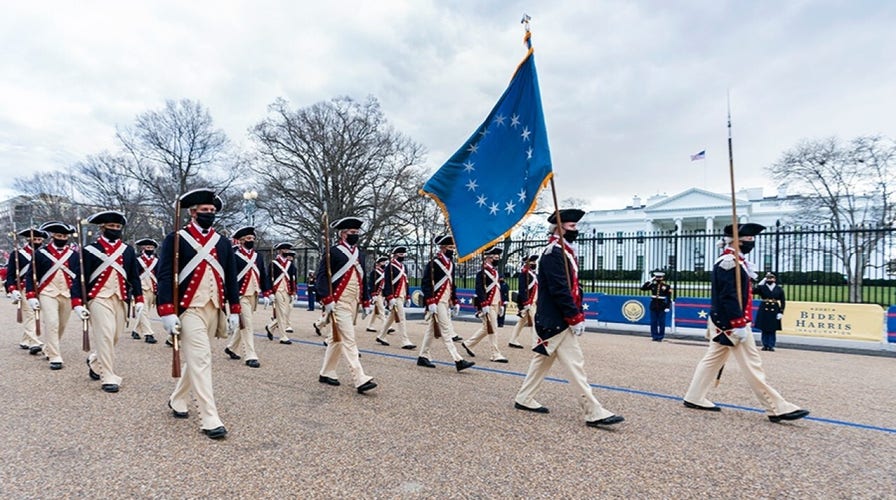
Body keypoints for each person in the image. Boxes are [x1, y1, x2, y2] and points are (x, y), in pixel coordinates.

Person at [682, 223, 809, 423]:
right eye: (748, 240)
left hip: (725, 322)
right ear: (736, 241)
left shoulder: (736, 262)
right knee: (752, 364)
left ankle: (694, 396)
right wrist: (738, 322)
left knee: (712, 360)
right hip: (732, 323)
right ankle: (777, 407)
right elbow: (729, 297)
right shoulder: (729, 263)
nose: (752, 243)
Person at [514, 209, 624, 428]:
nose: (576, 230)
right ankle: (593, 411)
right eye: (572, 226)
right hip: (557, 319)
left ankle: (524, 397)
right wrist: (574, 317)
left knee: (542, 360)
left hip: (556, 318)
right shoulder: (553, 253)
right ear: (559, 227)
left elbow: (571, 286)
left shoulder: (564, 252)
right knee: (575, 364)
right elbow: (559, 290)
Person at [156, 188, 241, 440]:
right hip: (188, 307)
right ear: (193, 212)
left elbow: (231, 278)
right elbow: (164, 275)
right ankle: (209, 416)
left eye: (212, 211)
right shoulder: (176, 239)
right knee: (203, 359)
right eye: (205, 211)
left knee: (197, 358)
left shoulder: (223, 242)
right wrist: (166, 311)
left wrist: (234, 309)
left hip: (214, 307)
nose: (209, 214)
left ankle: (177, 397)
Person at [81, 211, 144, 393]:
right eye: (111, 227)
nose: (115, 230)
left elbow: (133, 276)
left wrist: (139, 298)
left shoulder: (127, 250)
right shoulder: (90, 250)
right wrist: (78, 303)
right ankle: (108, 376)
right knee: (106, 335)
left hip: (121, 297)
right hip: (98, 297)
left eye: (118, 227)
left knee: (114, 336)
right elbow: (81, 278)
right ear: (102, 228)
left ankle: (95, 361)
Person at [315, 216, 377, 393]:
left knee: (338, 339)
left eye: (357, 233)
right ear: (343, 234)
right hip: (338, 301)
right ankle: (360, 378)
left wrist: (365, 301)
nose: (355, 235)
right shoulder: (333, 252)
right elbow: (322, 278)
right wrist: (327, 299)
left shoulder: (360, 254)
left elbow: (362, 279)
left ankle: (326, 372)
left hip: (353, 302)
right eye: (351, 233)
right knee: (349, 339)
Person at [24, 221, 82, 371]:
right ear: (53, 236)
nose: (62, 238)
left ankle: (49, 347)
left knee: (62, 324)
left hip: (67, 293)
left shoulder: (74, 255)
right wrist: (31, 295)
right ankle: (55, 356)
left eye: (64, 236)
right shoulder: (41, 253)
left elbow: (77, 277)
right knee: (52, 322)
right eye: (58, 235)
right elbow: (31, 275)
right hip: (47, 292)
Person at [416, 235, 474, 372]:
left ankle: (423, 356)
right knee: (446, 330)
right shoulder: (434, 263)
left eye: (453, 248)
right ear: (442, 248)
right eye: (450, 248)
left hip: (445, 301)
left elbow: (452, 285)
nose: (452, 250)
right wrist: (430, 302)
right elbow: (426, 284)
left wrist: (455, 301)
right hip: (436, 301)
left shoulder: (451, 264)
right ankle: (458, 359)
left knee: (431, 330)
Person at [225, 226, 271, 368]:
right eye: (248, 238)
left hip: (253, 293)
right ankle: (250, 355)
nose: (251, 241)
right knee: (248, 324)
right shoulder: (233, 254)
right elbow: (229, 276)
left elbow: (263, 274)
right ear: (241, 240)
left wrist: (268, 292)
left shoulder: (258, 256)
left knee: (243, 323)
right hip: (240, 294)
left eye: (252, 238)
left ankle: (231, 347)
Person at [461, 246, 509, 363]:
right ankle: (495, 354)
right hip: (488, 304)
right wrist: (484, 304)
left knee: (486, 328)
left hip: (495, 303)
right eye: (496, 257)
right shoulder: (482, 273)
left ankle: (468, 344)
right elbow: (480, 290)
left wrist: (501, 303)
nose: (497, 259)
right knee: (493, 329)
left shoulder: (494, 272)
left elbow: (498, 289)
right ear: (489, 258)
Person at [5, 227, 47, 354]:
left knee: (36, 314)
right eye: (35, 239)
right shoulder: (18, 254)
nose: (38, 241)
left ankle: (25, 340)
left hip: (41, 288)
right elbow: (10, 274)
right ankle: (35, 342)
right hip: (24, 288)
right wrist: (12, 289)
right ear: (29, 239)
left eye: (40, 239)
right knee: (30, 315)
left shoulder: (45, 254)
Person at [375, 246, 416, 350]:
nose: (403, 256)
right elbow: (387, 283)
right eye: (401, 254)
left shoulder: (403, 267)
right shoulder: (390, 267)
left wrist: (408, 296)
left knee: (391, 318)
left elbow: (406, 282)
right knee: (401, 318)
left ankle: (381, 336)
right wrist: (389, 297)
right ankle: (404, 341)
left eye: (404, 255)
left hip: (401, 296)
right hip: (395, 297)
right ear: (396, 255)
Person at [265, 242, 296, 344]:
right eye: (285, 249)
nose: (287, 251)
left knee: (285, 313)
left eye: (288, 249)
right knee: (282, 313)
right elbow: (269, 278)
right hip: (277, 290)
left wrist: (294, 292)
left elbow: (292, 279)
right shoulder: (273, 264)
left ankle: (270, 327)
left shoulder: (290, 264)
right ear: (280, 250)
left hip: (287, 290)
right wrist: (270, 292)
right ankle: (283, 336)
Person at [507, 254, 538, 350]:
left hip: (534, 302)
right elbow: (522, 289)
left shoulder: (533, 274)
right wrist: (526, 303)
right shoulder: (524, 274)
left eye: (535, 262)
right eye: (532, 262)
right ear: (527, 263)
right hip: (529, 303)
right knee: (534, 322)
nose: (534, 264)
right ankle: (535, 343)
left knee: (521, 322)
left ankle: (512, 340)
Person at [133, 238, 160, 344]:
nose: (150, 249)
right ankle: (148, 334)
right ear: (143, 248)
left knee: (145, 312)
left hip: (153, 288)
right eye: (148, 247)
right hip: (141, 288)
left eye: (151, 247)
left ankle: (135, 330)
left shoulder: (157, 260)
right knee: (143, 311)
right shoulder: (137, 260)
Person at [753, 272, 786, 352]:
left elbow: (783, 301)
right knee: (764, 328)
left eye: (771, 278)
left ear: (774, 279)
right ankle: (765, 345)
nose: (769, 279)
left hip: (774, 309)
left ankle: (771, 345)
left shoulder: (779, 288)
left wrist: (781, 312)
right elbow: (753, 291)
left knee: (772, 328)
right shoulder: (762, 287)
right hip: (764, 308)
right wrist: (760, 283)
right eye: (768, 278)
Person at [640, 270, 673, 341]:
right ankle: (654, 336)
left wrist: (667, 306)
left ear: (662, 278)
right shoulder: (652, 285)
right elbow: (643, 288)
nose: (658, 279)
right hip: (654, 305)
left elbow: (668, 297)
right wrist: (649, 280)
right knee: (653, 322)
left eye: (659, 277)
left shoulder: (666, 286)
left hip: (662, 305)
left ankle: (660, 336)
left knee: (661, 322)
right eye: (657, 277)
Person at [365, 256, 389, 333]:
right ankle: (386, 326)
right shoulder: (374, 272)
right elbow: (371, 284)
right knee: (381, 310)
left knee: (376, 311)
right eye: (382, 262)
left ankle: (369, 325)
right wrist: (373, 294)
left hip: (382, 293)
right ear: (378, 263)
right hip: (376, 294)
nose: (384, 264)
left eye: (385, 262)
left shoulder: (384, 273)